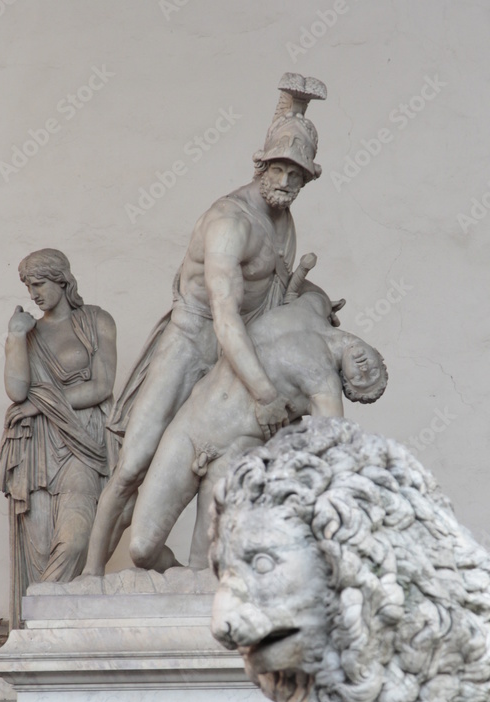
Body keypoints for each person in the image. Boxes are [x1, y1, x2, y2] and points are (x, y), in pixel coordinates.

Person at [81, 74, 328, 576]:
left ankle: (198, 577)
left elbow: (271, 303)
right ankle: (86, 577)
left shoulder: (284, 225)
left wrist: (313, 306)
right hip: (192, 342)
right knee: (133, 465)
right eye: (279, 169)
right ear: (261, 166)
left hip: (234, 353)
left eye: (297, 176)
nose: (287, 183)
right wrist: (262, 391)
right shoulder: (229, 222)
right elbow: (225, 315)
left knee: (228, 467)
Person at [126, 283, 387, 572]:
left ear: (346, 384)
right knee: (141, 549)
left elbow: (331, 448)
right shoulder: (314, 305)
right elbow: (297, 282)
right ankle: (173, 580)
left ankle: (178, 589)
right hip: (190, 427)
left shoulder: (324, 386)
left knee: (203, 568)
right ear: (375, 350)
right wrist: (294, 285)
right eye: (374, 369)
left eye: (363, 380)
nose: (365, 370)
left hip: (230, 460)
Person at [0, 249, 117, 625]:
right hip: (35, 447)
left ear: (62, 280)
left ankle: (48, 626)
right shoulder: (29, 332)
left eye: (39, 284)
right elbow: (18, 392)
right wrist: (16, 337)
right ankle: (38, 636)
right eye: (28, 287)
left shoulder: (95, 321)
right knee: (40, 548)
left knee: (75, 538)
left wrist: (42, 404)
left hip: (81, 440)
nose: (33, 294)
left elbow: (102, 386)